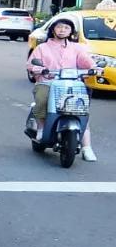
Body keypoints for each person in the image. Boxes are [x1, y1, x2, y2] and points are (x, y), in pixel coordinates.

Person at [27, 18, 98, 161]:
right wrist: (40, 69)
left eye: (66, 28)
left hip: (72, 85)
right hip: (47, 83)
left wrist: (95, 68)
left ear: (71, 31)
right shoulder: (42, 48)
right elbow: (31, 64)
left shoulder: (77, 48)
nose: (62, 30)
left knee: (81, 110)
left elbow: (86, 61)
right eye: (59, 27)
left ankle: (87, 147)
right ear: (53, 29)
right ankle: (41, 128)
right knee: (42, 99)